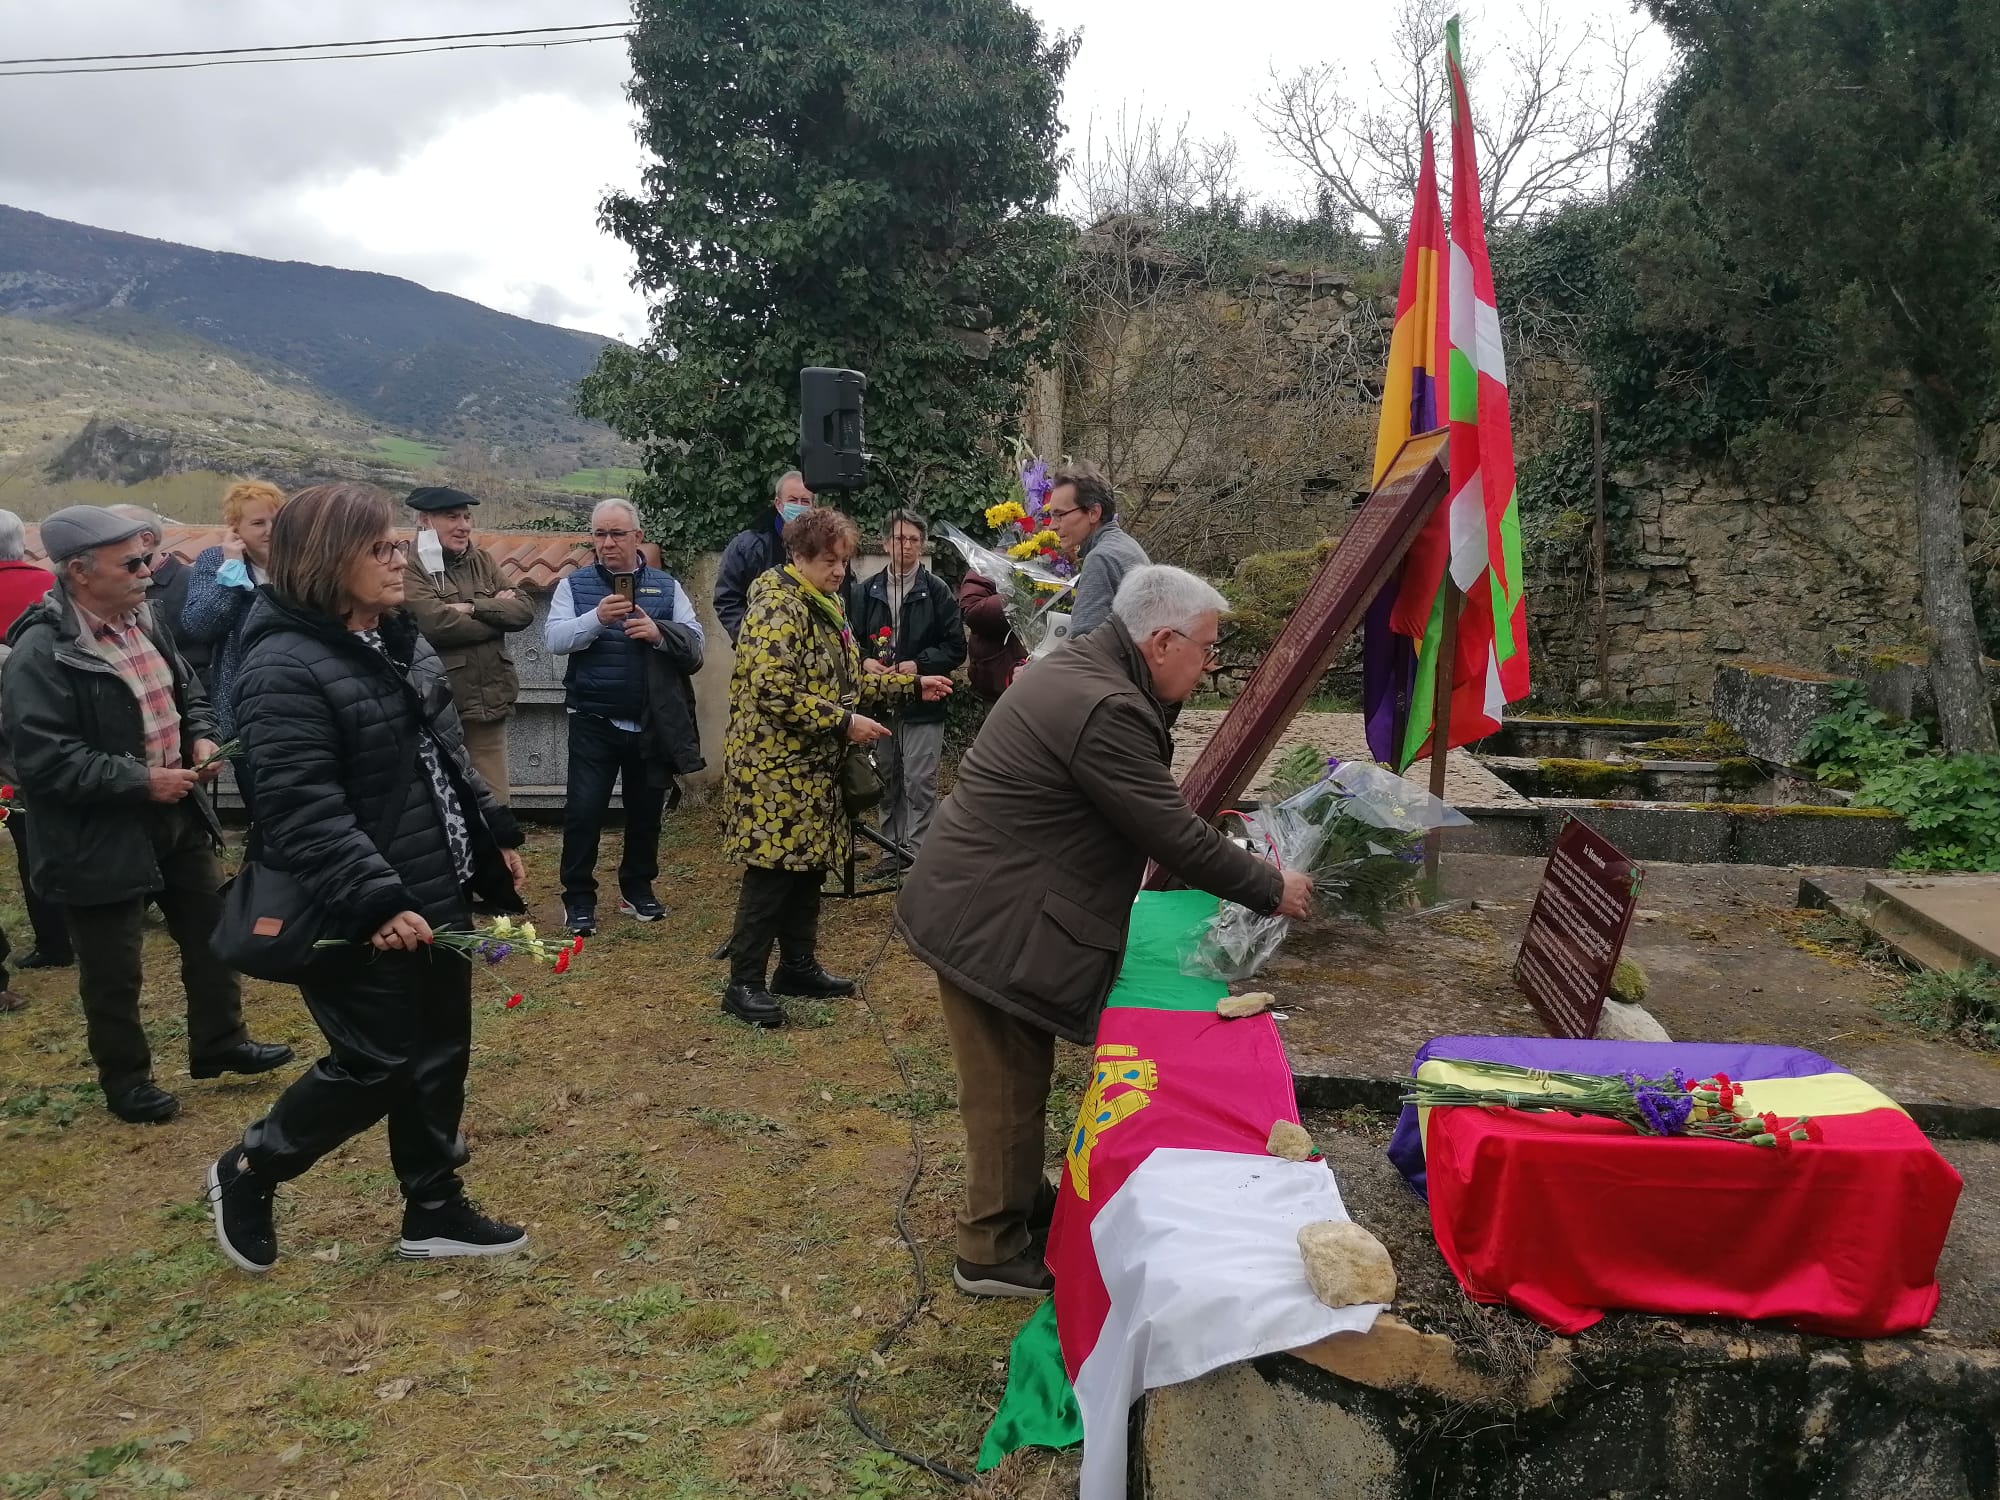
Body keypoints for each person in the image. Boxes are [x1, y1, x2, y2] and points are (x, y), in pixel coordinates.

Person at [896, 565, 1313, 1297]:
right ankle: (988, 1251)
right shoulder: (1106, 705)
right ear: (1161, 641)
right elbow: (1171, 833)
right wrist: (1273, 887)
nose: (1210, 664)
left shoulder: (1094, 671)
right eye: (1206, 649)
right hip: (991, 915)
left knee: (1018, 1072)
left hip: (989, 896)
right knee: (1004, 1087)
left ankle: (1019, 1202)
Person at [205, 482, 531, 1274]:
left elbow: (444, 752)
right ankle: (251, 1168)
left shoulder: (395, 636)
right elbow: (299, 807)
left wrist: (492, 832)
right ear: (326, 560)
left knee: (439, 1051)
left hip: (434, 880)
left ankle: (433, 1208)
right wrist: (377, 900)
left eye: (396, 546)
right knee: (377, 1061)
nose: (398, 560)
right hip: (354, 897)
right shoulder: (282, 666)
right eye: (379, 549)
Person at [0, 505, 293, 1124]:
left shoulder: (143, 619)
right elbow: (42, 759)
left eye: (148, 557)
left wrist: (202, 738)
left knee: (210, 931)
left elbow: (189, 690)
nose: (148, 570)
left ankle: (221, 1042)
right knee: (113, 967)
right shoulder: (42, 649)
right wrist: (140, 781)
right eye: (132, 562)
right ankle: (125, 1080)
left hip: (175, 812)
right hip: (95, 833)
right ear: (80, 572)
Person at [721, 507, 952, 1027]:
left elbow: (847, 680)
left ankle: (797, 968)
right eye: (829, 561)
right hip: (773, 769)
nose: (840, 573)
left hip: (813, 767)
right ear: (798, 556)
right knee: (772, 873)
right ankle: (744, 982)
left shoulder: (822, 603)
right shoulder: (777, 607)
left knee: (808, 868)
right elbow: (771, 688)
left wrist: (914, 685)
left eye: (845, 562)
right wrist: (843, 723)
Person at [544, 498, 704, 936]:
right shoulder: (573, 587)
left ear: (637, 537)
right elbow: (554, 640)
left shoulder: (667, 587)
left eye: (616, 533)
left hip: (649, 721)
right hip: (594, 720)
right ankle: (578, 899)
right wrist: (595, 619)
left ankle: (638, 889)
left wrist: (658, 634)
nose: (607, 543)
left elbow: (695, 646)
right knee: (584, 812)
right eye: (599, 534)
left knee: (645, 812)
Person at [398, 486, 535, 805]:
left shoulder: (483, 561)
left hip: (489, 700)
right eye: (452, 517)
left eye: (466, 517)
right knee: (447, 799)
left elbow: (524, 610)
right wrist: (496, 611)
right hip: (439, 701)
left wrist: (473, 607)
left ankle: (500, 853)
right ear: (425, 521)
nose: (464, 525)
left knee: (495, 799)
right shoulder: (409, 566)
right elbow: (435, 624)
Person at [853, 509, 965, 874]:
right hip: (882, 703)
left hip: (923, 700)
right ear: (886, 543)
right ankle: (890, 848)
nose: (907, 546)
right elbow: (848, 642)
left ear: (922, 545)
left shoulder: (937, 592)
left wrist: (919, 665)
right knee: (887, 776)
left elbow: (954, 647)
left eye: (914, 540)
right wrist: (866, 661)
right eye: (900, 539)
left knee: (919, 779)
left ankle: (918, 852)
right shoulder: (864, 592)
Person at [0, 508, 68, 971]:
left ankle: (53, 940)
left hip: (9, 738)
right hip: (61, 722)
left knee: (24, 827)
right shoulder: (51, 586)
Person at [179, 479, 287, 738]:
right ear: (235, 529)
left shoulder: (304, 561)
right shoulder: (215, 560)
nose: (271, 530)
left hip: (298, 692)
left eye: (277, 521)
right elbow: (199, 626)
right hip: (244, 701)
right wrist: (232, 575)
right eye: (258, 523)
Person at [1042, 461, 1149, 640]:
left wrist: (1037, 667)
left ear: (1093, 513)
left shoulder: (1101, 558)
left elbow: (1086, 648)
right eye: (1051, 515)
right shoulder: (1124, 545)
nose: (1052, 526)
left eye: (1060, 515)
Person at [958, 566, 1028, 704]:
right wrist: (1019, 596)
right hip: (1000, 681)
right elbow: (973, 612)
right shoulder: (987, 565)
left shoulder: (1059, 564)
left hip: (1051, 685)